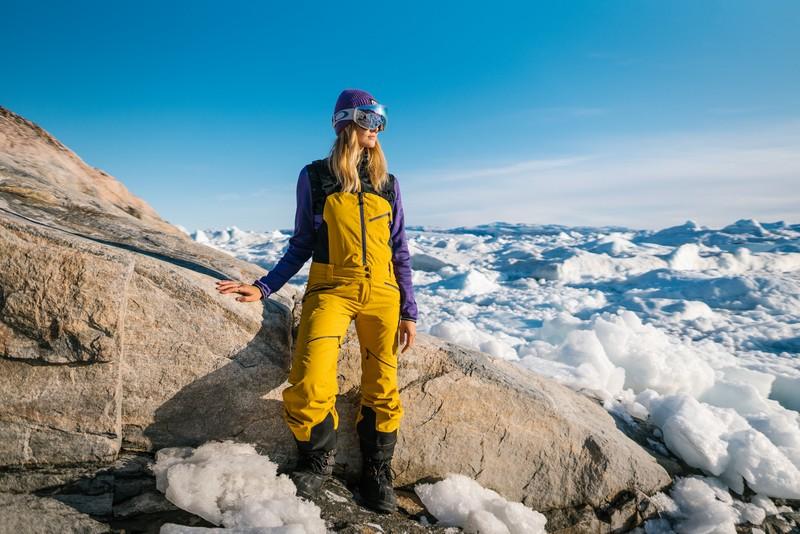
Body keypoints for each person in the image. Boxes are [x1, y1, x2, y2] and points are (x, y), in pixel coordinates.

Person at [215, 89, 418, 514]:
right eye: (369, 119)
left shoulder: (388, 184)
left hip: (382, 294)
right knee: (309, 381)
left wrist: (409, 311)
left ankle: (377, 471)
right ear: (346, 122)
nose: (376, 130)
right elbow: (303, 242)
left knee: (383, 387)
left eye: (381, 122)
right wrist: (265, 286)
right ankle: (317, 460)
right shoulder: (315, 177)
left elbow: (399, 249)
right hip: (331, 288)